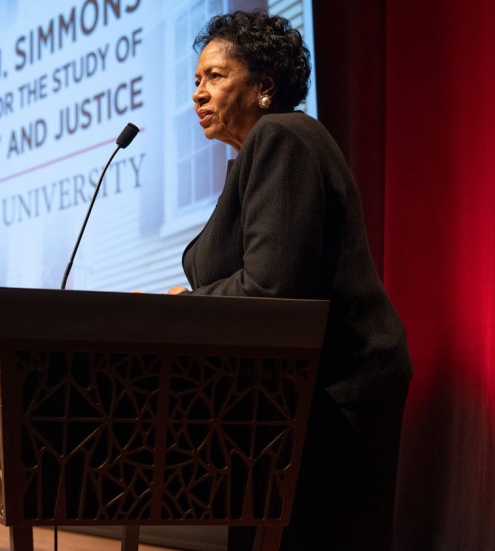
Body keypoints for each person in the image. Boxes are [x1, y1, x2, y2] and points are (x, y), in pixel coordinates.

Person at [169, 10, 413, 551]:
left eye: (215, 76)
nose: (199, 95)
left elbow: (271, 290)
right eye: (195, 81)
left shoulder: (283, 136)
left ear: (264, 86)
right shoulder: (252, 157)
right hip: (288, 398)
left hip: (337, 392)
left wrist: (185, 307)